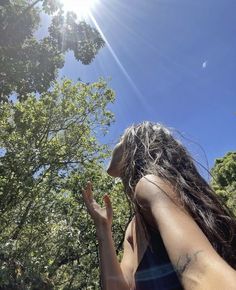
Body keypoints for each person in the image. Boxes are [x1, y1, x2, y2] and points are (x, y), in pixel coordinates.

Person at [82, 121, 236, 290]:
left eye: (121, 138)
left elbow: (200, 271)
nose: (115, 143)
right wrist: (103, 227)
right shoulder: (133, 226)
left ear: (135, 144)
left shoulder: (151, 186)